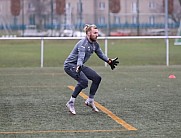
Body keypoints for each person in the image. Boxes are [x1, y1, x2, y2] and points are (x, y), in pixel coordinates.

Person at [64, 24, 119, 115]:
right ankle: (70, 102)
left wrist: (109, 61)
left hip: (79, 65)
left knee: (97, 78)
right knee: (84, 81)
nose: (97, 35)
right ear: (89, 33)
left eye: (97, 33)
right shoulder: (83, 44)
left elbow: (101, 54)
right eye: (95, 33)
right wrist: (79, 66)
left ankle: (90, 100)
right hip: (70, 65)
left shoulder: (95, 44)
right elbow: (80, 57)